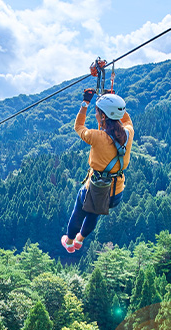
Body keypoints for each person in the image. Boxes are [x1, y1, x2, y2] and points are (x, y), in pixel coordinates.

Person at [61, 88, 134, 253]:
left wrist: (85, 102)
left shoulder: (96, 136)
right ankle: (80, 240)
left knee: (78, 214)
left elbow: (78, 126)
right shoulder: (129, 133)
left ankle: (70, 242)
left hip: (94, 189)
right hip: (115, 193)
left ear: (103, 116)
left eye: (97, 113)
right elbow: (125, 117)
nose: (96, 115)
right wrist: (112, 101)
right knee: (94, 213)